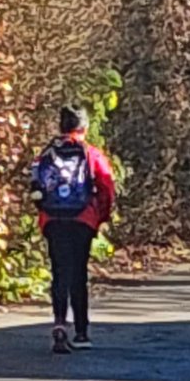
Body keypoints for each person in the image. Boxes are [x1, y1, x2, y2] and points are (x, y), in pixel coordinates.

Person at [32, 106, 115, 353]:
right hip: (82, 219)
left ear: (61, 126)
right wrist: (101, 216)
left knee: (59, 271)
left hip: (53, 219)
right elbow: (107, 187)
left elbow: (36, 186)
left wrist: (44, 212)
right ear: (84, 128)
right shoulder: (91, 154)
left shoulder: (47, 153)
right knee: (78, 273)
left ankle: (59, 325)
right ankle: (81, 332)